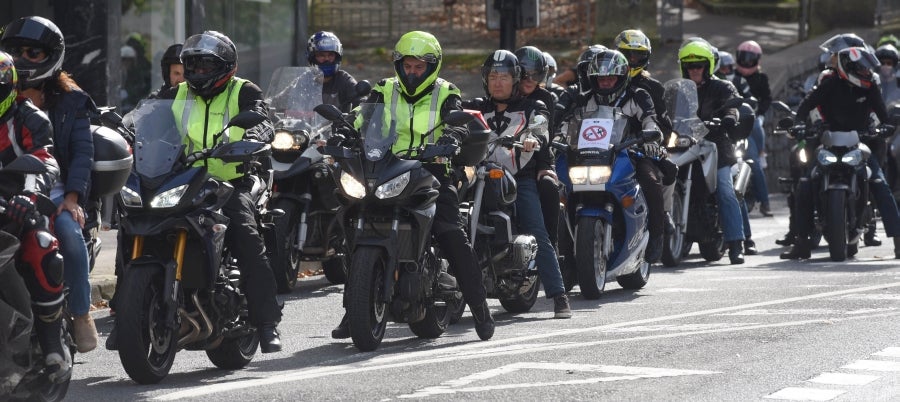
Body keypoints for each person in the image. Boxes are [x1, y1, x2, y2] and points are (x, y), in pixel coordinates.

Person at [330, 31, 500, 340]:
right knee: (353, 219)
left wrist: (453, 136)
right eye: (407, 66)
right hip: (386, 168)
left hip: (433, 171)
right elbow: (362, 116)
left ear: (432, 66)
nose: (411, 73)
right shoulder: (384, 89)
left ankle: (479, 308)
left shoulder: (446, 91)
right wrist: (344, 129)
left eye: (419, 67)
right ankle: (353, 307)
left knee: (450, 232)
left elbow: (456, 119)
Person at [155, 30, 284, 352]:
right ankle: (127, 305)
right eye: (193, 67)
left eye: (205, 67)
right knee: (138, 221)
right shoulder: (176, 93)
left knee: (246, 236)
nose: (198, 73)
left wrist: (258, 132)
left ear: (226, 67)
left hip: (230, 182)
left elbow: (263, 119)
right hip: (183, 182)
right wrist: (124, 129)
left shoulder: (243, 91)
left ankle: (266, 323)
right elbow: (147, 119)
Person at [1, 15, 100, 353]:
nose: (22, 59)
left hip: (57, 189)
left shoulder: (72, 101)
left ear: (52, 57)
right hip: (7, 189)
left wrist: (72, 198)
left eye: (33, 53)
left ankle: (81, 314)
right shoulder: (5, 93)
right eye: (15, 51)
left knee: (68, 237)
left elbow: (82, 154)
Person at [463, 49, 572, 319]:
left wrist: (534, 137)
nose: (498, 82)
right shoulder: (477, 107)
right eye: (493, 76)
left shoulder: (533, 106)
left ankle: (559, 296)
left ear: (515, 79)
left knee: (537, 228)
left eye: (504, 76)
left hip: (517, 177)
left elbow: (540, 124)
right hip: (478, 175)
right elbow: (454, 121)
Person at [782, 46, 900, 259]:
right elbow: (806, 105)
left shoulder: (870, 86)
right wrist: (798, 123)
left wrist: (888, 126)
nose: (866, 72)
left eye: (867, 68)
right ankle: (801, 241)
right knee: (806, 184)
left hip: (859, 144)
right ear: (847, 67)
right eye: (861, 68)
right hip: (827, 144)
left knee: (880, 184)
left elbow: (883, 114)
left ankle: (898, 240)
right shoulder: (829, 84)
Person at [555, 49, 667, 264]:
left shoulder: (638, 95)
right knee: (557, 187)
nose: (605, 82)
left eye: (610, 78)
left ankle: (656, 235)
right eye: (600, 78)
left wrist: (651, 139)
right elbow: (564, 123)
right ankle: (562, 251)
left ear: (622, 77)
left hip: (629, 152)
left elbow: (651, 120)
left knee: (651, 181)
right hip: (586, 156)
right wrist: (556, 138)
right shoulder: (582, 99)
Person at [0, 50, 68, 383]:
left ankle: (52, 344)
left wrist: (27, 194)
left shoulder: (29, 118)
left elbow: (43, 159)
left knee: (41, 247)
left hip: (14, 208)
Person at [677, 40, 746, 264]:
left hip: (716, 145)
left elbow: (732, 105)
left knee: (725, 190)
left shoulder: (722, 87)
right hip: (685, 144)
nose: (694, 69)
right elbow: (665, 111)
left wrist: (728, 117)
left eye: (698, 64)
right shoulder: (679, 89)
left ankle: (736, 243)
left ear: (707, 66)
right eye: (690, 65)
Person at [614, 28, 679, 246]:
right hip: (604, 148)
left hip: (638, 148)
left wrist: (653, 141)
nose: (632, 60)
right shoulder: (604, 81)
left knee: (651, 178)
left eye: (638, 55)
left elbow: (663, 123)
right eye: (627, 55)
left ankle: (657, 230)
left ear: (646, 57)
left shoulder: (652, 87)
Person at [513, 45, 562, 249]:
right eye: (525, 74)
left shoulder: (545, 98)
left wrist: (544, 166)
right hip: (500, 158)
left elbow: (544, 132)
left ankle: (550, 244)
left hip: (535, 158)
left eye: (536, 75)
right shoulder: (502, 92)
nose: (530, 79)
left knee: (549, 186)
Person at [734, 40, 774, 220]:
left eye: (751, 59)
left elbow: (766, 99)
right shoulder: (732, 78)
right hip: (733, 122)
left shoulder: (761, 78)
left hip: (753, 121)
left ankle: (765, 202)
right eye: (744, 58)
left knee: (755, 164)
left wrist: (759, 114)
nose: (747, 62)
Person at [306, 31, 364, 113]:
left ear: (337, 57)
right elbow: (283, 100)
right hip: (307, 125)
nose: (326, 59)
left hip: (338, 125)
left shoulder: (344, 80)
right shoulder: (304, 80)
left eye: (330, 55)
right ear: (312, 57)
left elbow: (363, 104)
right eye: (321, 55)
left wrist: (354, 116)